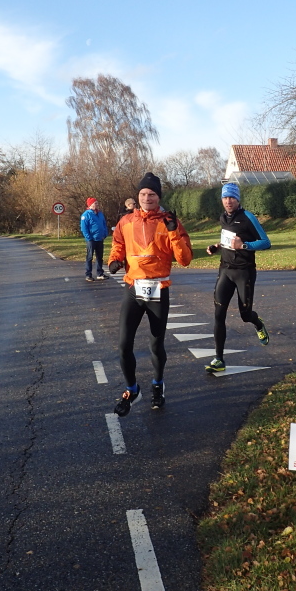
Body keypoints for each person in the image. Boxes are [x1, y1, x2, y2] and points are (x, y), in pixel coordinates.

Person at [108, 172, 193, 415]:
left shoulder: (168, 221)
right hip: (133, 288)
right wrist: (114, 259)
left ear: (158, 197)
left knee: (156, 344)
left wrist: (174, 231)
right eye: (143, 194)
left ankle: (157, 385)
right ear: (138, 196)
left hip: (158, 289)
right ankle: (132, 390)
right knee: (124, 345)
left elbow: (185, 260)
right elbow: (118, 244)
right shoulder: (126, 221)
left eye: (152, 194)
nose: (147, 198)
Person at [203, 182, 271, 373]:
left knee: (245, 315)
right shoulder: (223, 217)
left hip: (244, 272)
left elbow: (266, 242)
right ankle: (219, 359)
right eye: (225, 198)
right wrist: (216, 247)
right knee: (218, 315)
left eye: (231, 197)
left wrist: (244, 246)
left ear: (238, 199)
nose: (228, 201)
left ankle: (258, 324)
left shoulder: (248, 217)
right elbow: (228, 240)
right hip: (225, 270)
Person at [80, 198, 109, 282]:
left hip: (100, 238)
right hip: (91, 239)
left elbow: (104, 224)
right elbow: (84, 228)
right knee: (90, 257)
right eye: (95, 203)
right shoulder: (86, 215)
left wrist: (105, 234)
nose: (96, 204)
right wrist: (89, 237)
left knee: (100, 257)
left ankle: (100, 273)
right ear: (90, 205)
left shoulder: (100, 214)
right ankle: (88, 274)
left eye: (97, 203)